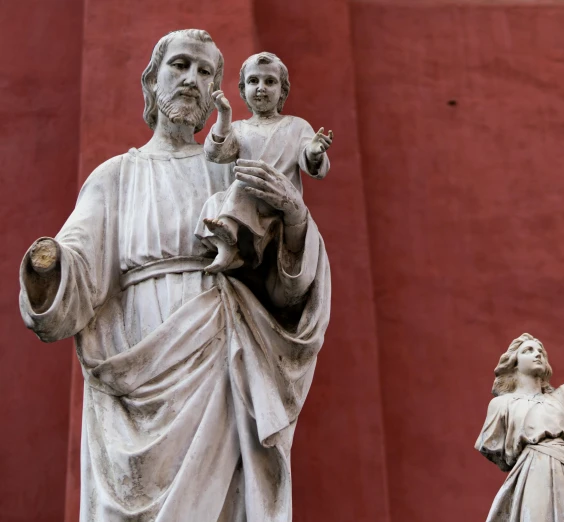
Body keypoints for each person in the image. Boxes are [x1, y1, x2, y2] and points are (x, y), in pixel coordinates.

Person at [18, 29, 330, 522]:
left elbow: (285, 290)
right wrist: (49, 268)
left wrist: (294, 217)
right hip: (132, 367)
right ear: (152, 80)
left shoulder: (233, 172)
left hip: (219, 360)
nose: (191, 79)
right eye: (180, 66)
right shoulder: (116, 175)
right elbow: (78, 268)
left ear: (216, 95)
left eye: (205, 72)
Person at [198, 51, 333, 273]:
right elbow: (215, 153)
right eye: (253, 81)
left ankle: (228, 234)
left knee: (243, 183)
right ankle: (225, 247)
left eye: (270, 81)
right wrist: (223, 116)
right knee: (215, 200)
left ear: (282, 92)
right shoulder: (239, 129)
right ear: (242, 90)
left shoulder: (296, 126)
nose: (261, 87)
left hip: (277, 206)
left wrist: (314, 152)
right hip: (246, 204)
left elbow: (312, 162)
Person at [475, 333, 564, 522]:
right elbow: (493, 447)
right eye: (528, 351)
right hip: (535, 471)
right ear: (514, 363)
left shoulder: (563, 400)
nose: (537, 354)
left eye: (540, 352)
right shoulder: (502, 404)